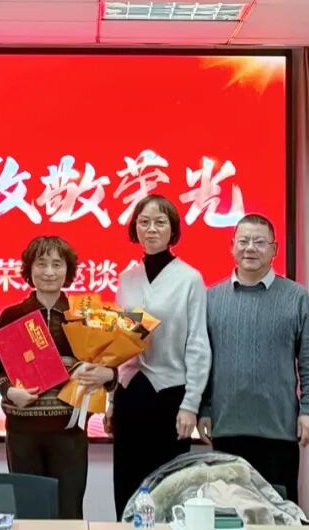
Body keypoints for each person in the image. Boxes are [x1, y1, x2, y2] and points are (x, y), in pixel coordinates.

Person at [198, 214, 309, 503]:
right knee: (229, 512)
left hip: (279, 430)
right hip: (226, 428)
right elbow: (202, 361)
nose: (250, 248)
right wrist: (204, 408)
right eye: (243, 241)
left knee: (278, 511)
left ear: (274, 249)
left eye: (259, 242)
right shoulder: (212, 298)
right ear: (232, 246)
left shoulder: (296, 297)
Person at [0, 236, 116, 519]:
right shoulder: (12, 315)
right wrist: (11, 392)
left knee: (69, 513)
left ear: (68, 270)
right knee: (28, 513)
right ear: (29, 269)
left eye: (57, 264)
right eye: (41, 263)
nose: (49, 271)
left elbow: (110, 366)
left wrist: (108, 374)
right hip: (22, 432)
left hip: (69, 433)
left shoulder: (84, 316)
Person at [111, 194, 210, 519]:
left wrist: (191, 405)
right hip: (130, 392)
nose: (151, 229)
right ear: (135, 229)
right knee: (127, 486)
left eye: (159, 222)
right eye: (144, 222)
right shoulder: (127, 279)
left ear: (172, 230)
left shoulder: (190, 279)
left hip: (171, 395)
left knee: (168, 490)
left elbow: (198, 345)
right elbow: (119, 342)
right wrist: (111, 400)